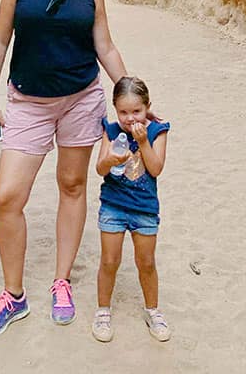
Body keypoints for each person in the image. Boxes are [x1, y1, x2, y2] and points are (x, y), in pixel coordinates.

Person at [0, 0, 128, 340]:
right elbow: (0, 40)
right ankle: (13, 293)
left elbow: (104, 43)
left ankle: (61, 281)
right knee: (7, 196)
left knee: (73, 185)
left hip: (81, 97)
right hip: (27, 100)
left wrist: (130, 92)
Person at [92, 76, 171, 343]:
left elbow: (156, 168)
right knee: (109, 261)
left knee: (146, 263)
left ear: (148, 106)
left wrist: (144, 143)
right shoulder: (112, 131)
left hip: (145, 209)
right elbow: (100, 169)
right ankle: (103, 311)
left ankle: (153, 310)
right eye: (123, 112)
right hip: (113, 206)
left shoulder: (157, 131)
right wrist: (110, 159)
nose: (130, 118)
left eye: (136, 111)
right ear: (115, 109)